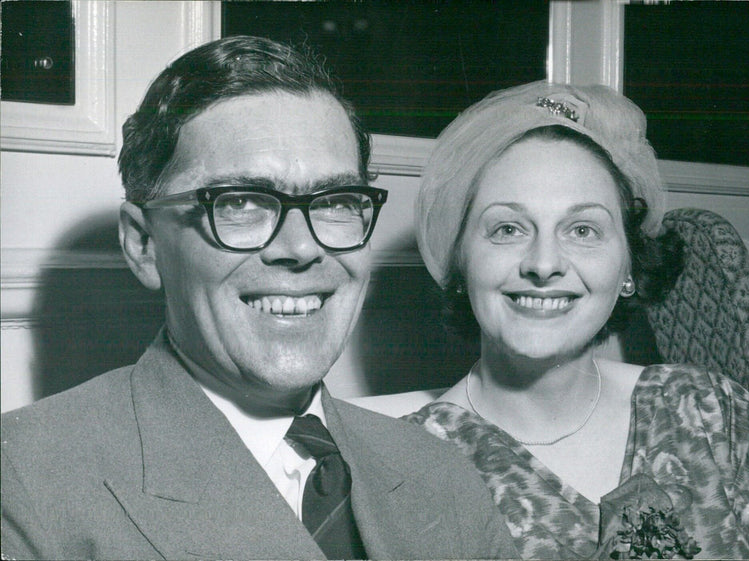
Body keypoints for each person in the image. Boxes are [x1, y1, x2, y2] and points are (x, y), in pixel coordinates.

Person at [0, 36, 519, 561]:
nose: (301, 248)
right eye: (241, 201)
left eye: (336, 201)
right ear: (144, 244)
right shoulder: (26, 481)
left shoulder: (440, 472)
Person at [406, 80, 749, 559]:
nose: (544, 263)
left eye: (583, 229)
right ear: (462, 261)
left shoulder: (712, 413)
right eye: (508, 228)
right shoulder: (407, 468)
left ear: (629, 266)